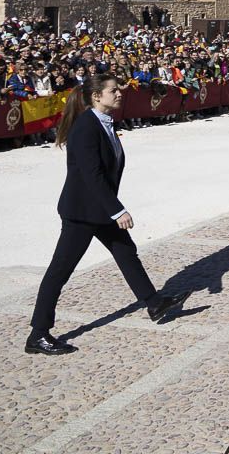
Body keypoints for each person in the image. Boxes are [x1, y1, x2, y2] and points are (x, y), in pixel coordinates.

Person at [27, 74, 189, 355]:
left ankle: (153, 302)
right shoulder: (86, 127)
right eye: (113, 91)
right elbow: (92, 175)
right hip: (82, 212)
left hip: (98, 209)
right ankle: (38, 334)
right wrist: (117, 210)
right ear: (96, 96)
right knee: (60, 271)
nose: (119, 94)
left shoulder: (103, 123)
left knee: (126, 251)